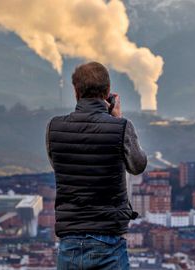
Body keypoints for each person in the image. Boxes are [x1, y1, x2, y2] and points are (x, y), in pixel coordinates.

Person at [46, 62, 147, 270]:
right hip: (108, 241)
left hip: (70, 242)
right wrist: (117, 120)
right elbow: (137, 165)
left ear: (76, 91)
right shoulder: (120, 128)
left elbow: (59, 166)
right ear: (107, 92)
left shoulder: (53, 128)